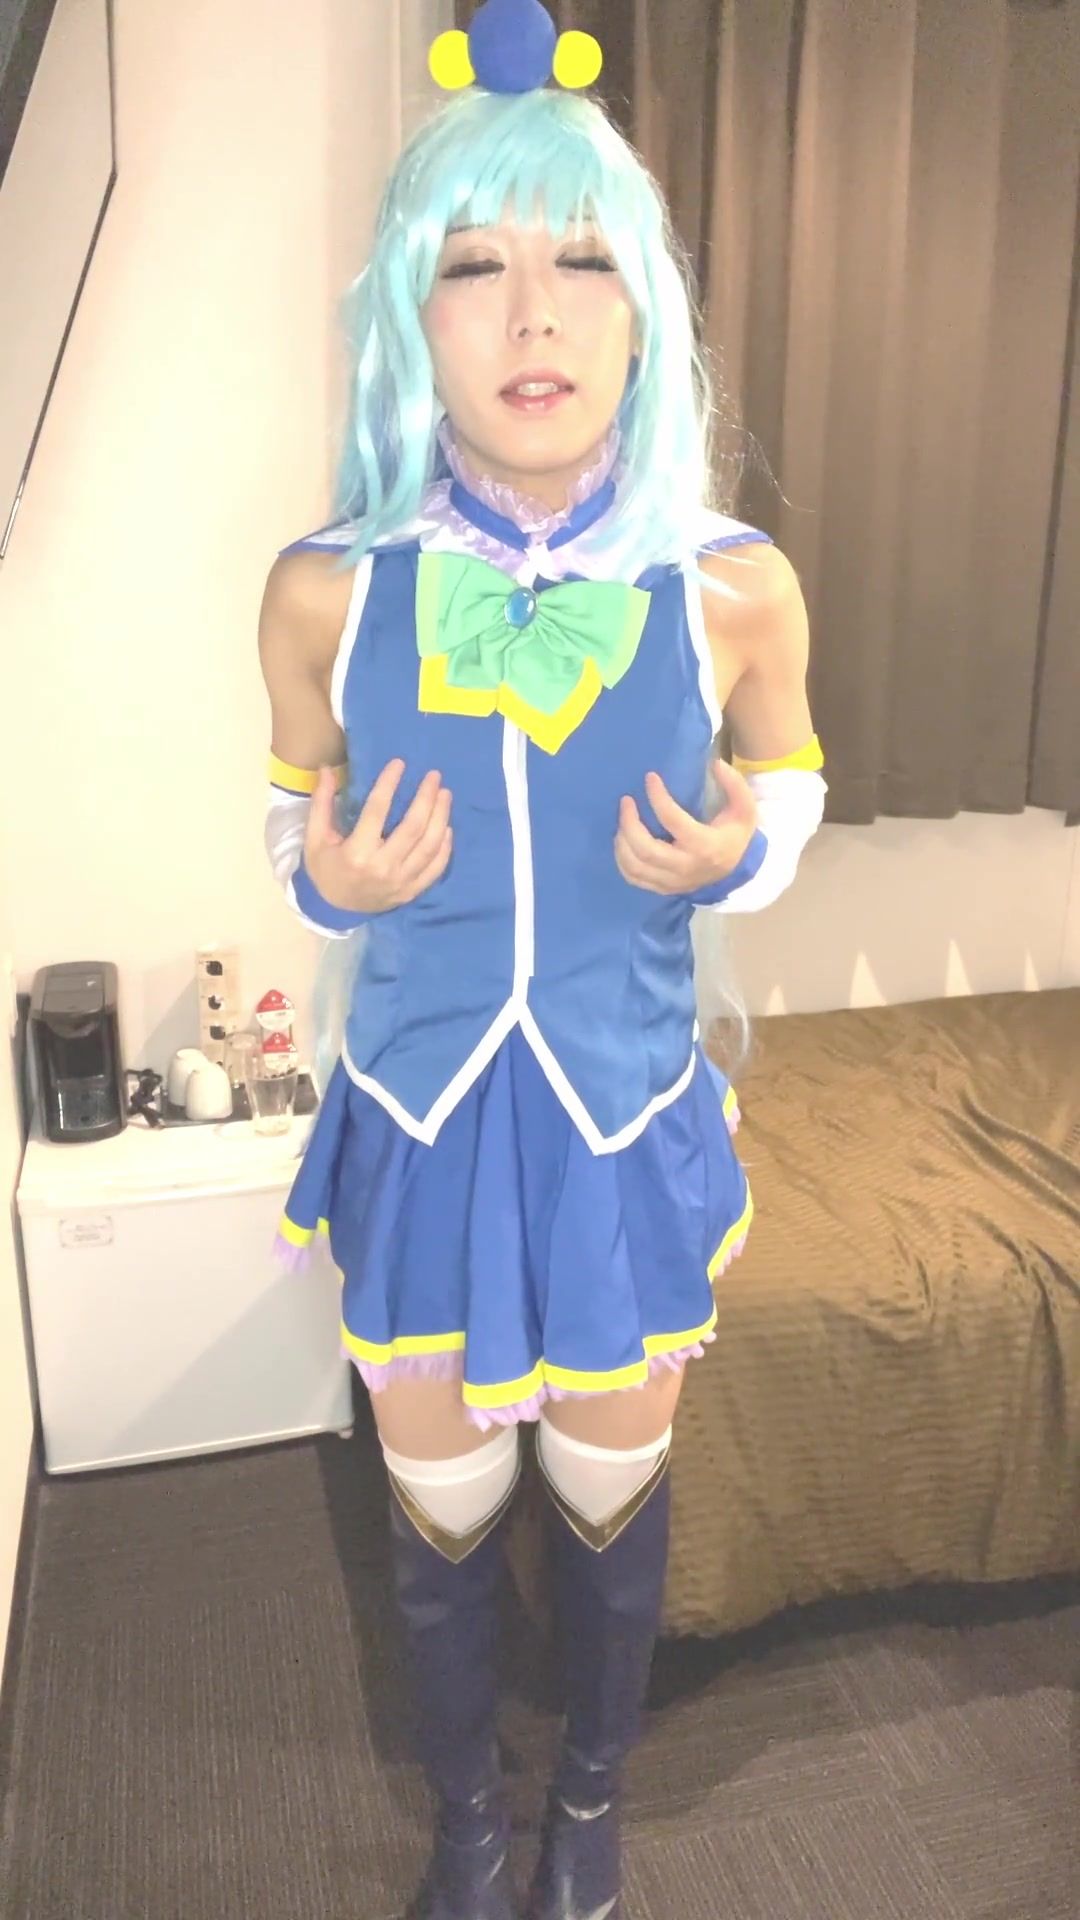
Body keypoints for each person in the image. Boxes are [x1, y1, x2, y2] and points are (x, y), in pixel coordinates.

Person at [258, 3, 826, 1914]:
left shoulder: (734, 585)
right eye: (472, 265)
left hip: (616, 1128)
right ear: (407, 320)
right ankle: (467, 1820)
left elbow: (790, 796)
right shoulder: (324, 594)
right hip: (423, 1130)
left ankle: (587, 1805)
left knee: (604, 1507)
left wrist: (748, 851)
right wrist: (333, 880)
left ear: (642, 316)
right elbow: (295, 840)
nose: (532, 316)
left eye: (582, 262)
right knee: (438, 1520)